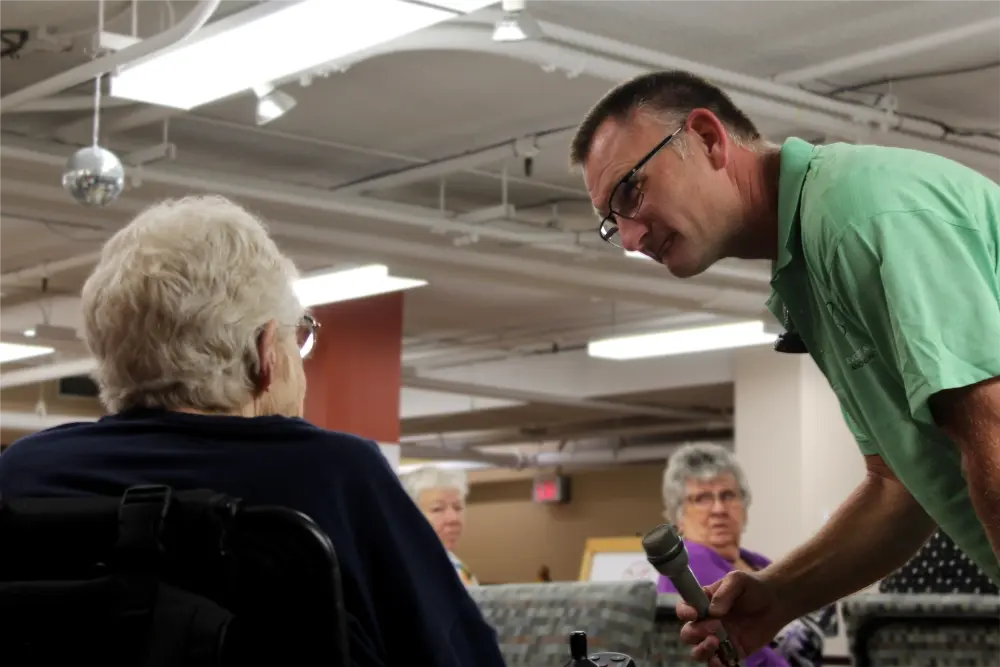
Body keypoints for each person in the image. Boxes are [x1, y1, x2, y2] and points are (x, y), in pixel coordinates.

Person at [569, 69, 1000, 664]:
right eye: (613, 223)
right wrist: (777, 596)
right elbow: (903, 485)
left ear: (708, 139)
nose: (633, 237)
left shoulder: (859, 214)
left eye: (631, 193)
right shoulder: (808, 266)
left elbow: (996, 439)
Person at [0, 195, 505, 667]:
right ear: (266, 355)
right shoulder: (331, 476)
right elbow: (461, 656)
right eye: (297, 339)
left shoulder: (23, 473)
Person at [659, 443, 825, 667]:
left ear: (744, 507)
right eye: (702, 498)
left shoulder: (757, 562)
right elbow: (752, 659)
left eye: (728, 495)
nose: (719, 509)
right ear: (679, 515)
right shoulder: (689, 563)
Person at [400, 465, 479, 586]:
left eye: (458, 507)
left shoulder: (456, 565)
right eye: (437, 509)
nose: (453, 519)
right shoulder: (405, 569)